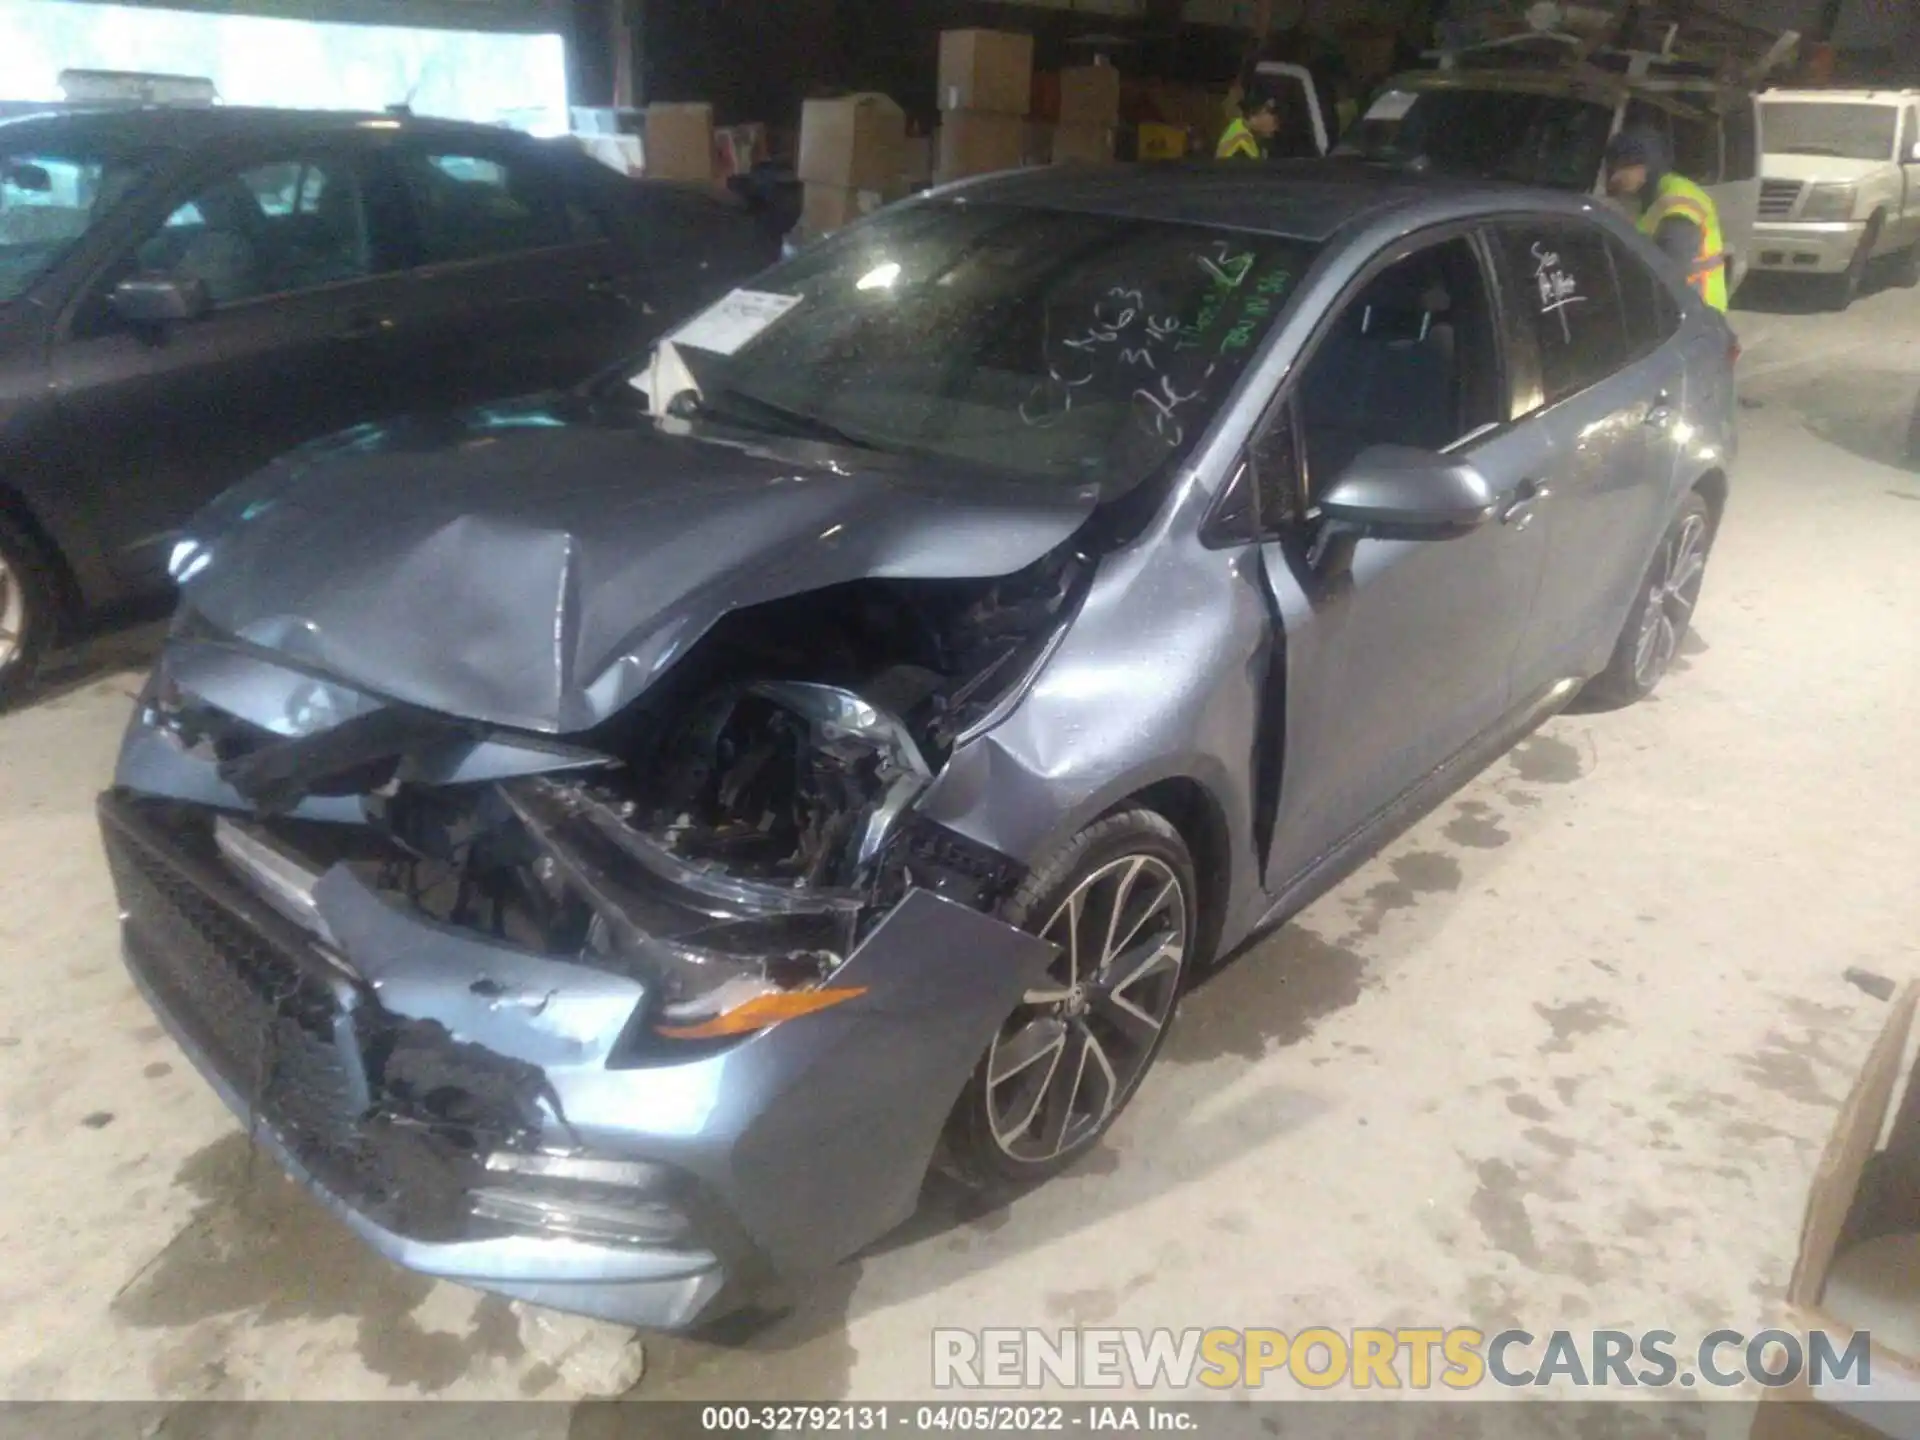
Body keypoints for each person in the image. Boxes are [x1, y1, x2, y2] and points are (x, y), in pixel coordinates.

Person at [1605, 128, 1729, 312]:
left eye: (1622, 168)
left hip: (1697, 312)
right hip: (1687, 309)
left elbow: (1670, 272)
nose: (1615, 177)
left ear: (1645, 167)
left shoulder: (1677, 204)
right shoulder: (1654, 197)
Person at [1218, 79, 1282, 161]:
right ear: (1262, 111)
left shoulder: (1241, 129)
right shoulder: (1241, 142)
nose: (1276, 128)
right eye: (1275, 121)